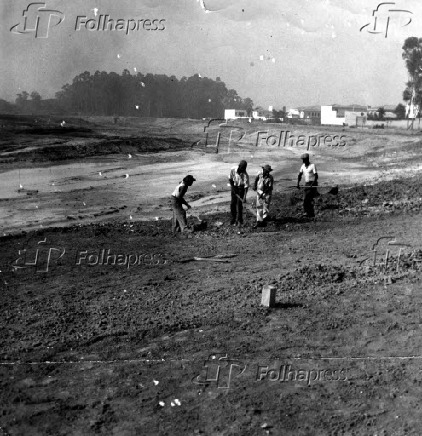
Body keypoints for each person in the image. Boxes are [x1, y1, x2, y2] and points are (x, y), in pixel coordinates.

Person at [228, 160, 249, 226]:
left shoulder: (245, 175)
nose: (242, 170)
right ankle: (233, 219)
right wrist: (233, 188)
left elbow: (246, 187)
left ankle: (240, 220)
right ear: (239, 166)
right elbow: (230, 179)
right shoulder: (233, 169)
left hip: (241, 189)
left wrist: (244, 197)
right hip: (234, 187)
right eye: (241, 168)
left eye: (243, 169)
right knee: (232, 204)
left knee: (239, 205)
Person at [297, 153, 318, 218]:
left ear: (307, 159)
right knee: (306, 198)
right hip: (307, 184)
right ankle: (309, 213)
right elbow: (299, 175)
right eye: (303, 160)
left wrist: (312, 184)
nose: (303, 161)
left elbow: (316, 176)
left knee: (307, 198)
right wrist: (298, 183)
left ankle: (309, 213)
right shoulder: (303, 166)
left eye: (304, 160)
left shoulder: (312, 165)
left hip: (312, 183)